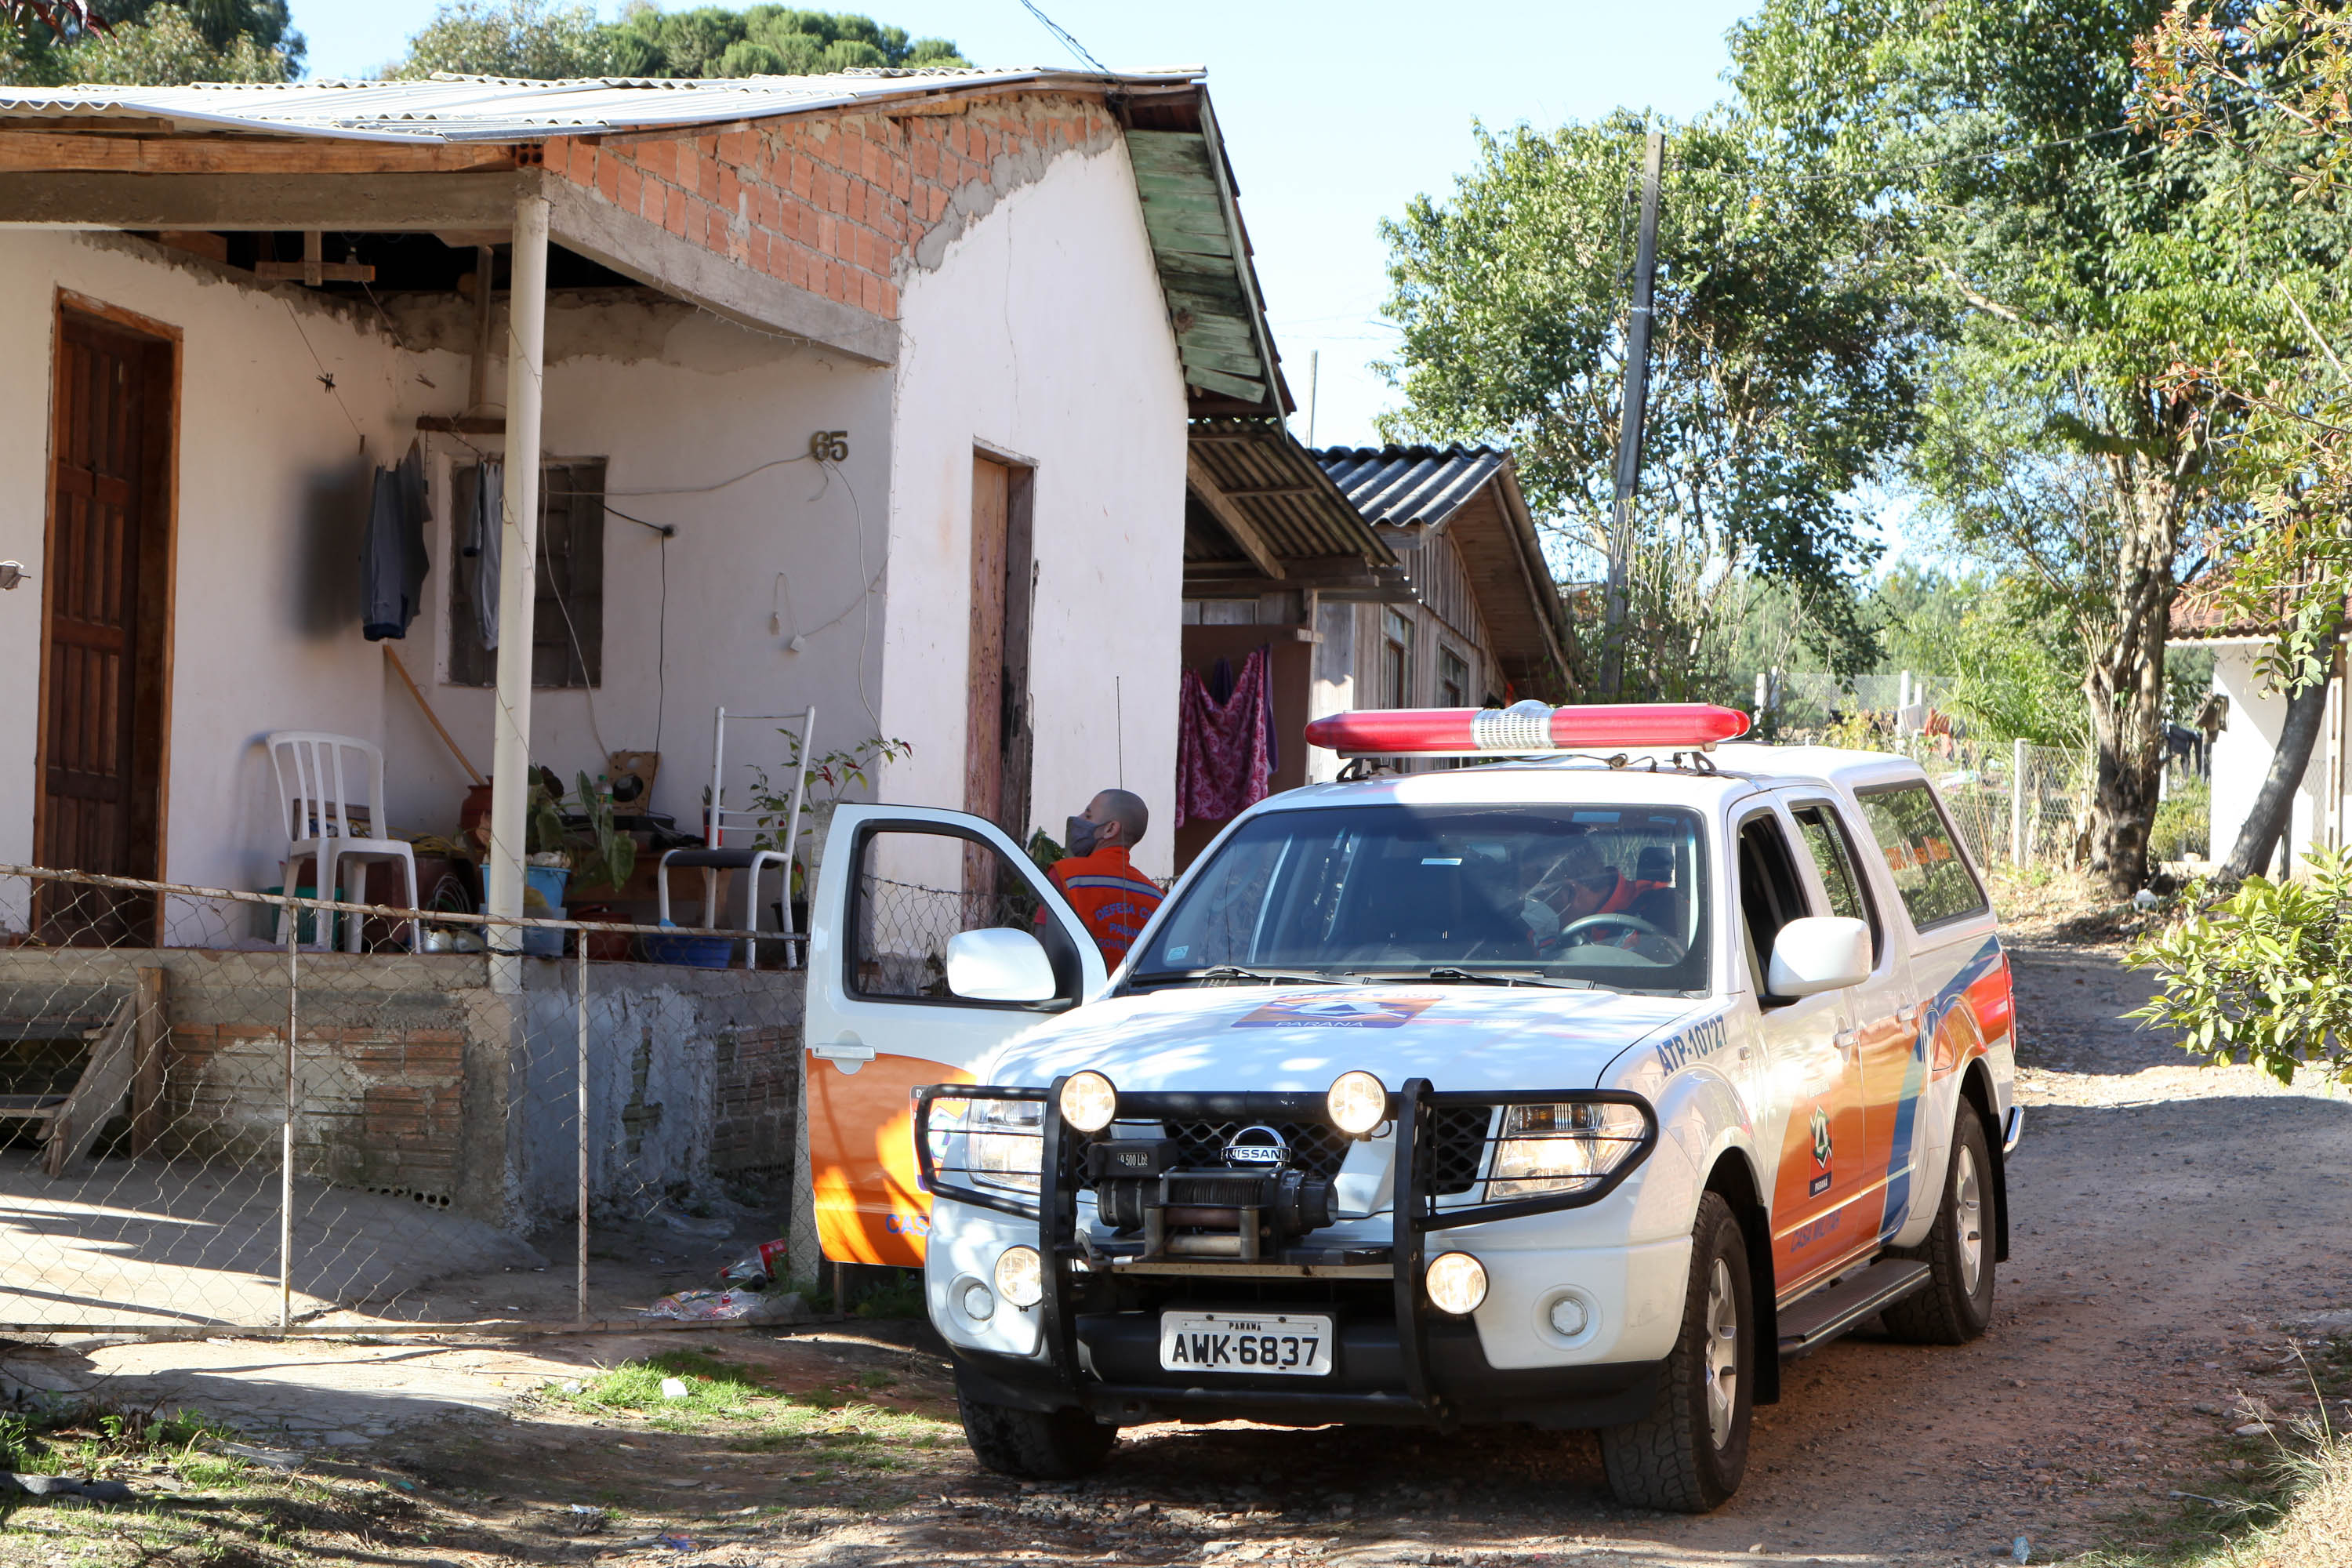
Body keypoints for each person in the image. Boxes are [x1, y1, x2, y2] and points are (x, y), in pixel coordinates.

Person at [1047, 789, 1164, 964]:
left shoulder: (1065, 874)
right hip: (1134, 991)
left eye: (1088, 816)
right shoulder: (1158, 897)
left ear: (1110, 829)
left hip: (1077, 990)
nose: (1077, 819)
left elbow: (1045, 945)